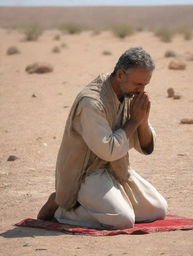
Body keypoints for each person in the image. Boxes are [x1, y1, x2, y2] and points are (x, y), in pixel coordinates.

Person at [37, 47, 168, 230]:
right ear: (121, 75)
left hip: (116, 169)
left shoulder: (128, 92)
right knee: (122, 220)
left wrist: (142, 121)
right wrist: (133, 121)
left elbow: (146, 147)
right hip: (85, 173)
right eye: (138, 85)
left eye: (145, 85)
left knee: (158, 209)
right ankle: (63, 209)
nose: (141, 91)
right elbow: (108, 151)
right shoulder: (92, 103)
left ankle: (101, 204)